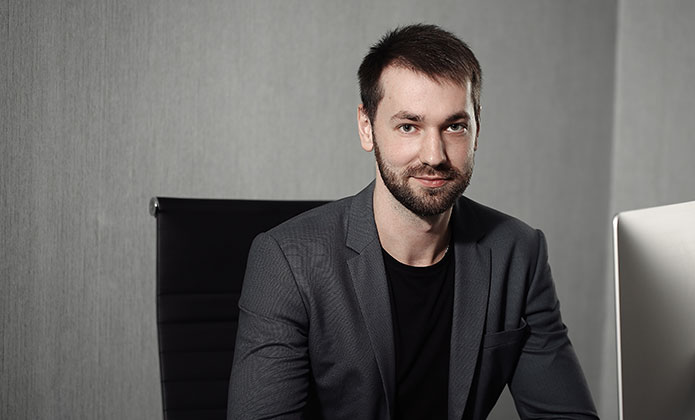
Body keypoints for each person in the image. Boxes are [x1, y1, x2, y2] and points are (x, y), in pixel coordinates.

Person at [228, 24, 598, 420]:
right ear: (367, 127)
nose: (435, 154)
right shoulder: (288, 261)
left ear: (476, 132)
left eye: (454, 126)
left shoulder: (517, 253)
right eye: (409, 126)